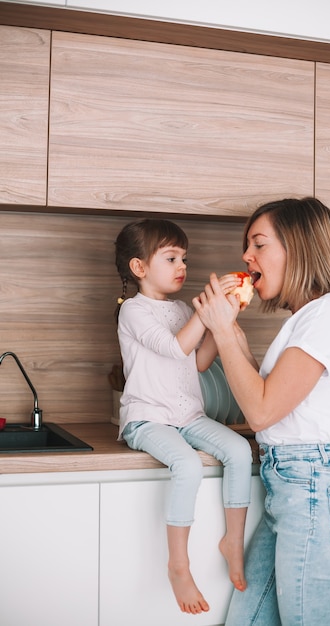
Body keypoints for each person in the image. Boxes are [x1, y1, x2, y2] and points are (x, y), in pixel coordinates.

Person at [193, 197, 330, 626]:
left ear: (299, 246)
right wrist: (230, 330)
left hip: (314, 489)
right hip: (294, 492)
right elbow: (270, 395)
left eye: (259, 244)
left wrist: (221, 329)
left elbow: (262, 410)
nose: (247, 256)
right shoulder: (308, 319)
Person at [114, 218, 253, 616]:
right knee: (187, 465)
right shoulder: (134, 313)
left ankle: (233, 541)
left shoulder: (179, 308)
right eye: (172, 257)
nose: (182, 266)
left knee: (240, 451)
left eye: (184, 259)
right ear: (139, 268)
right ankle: (179, 564)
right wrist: (207, 312)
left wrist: (224, 318)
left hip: (187, 415)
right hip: (148, 418)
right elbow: (175, 349)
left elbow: (199, 361)